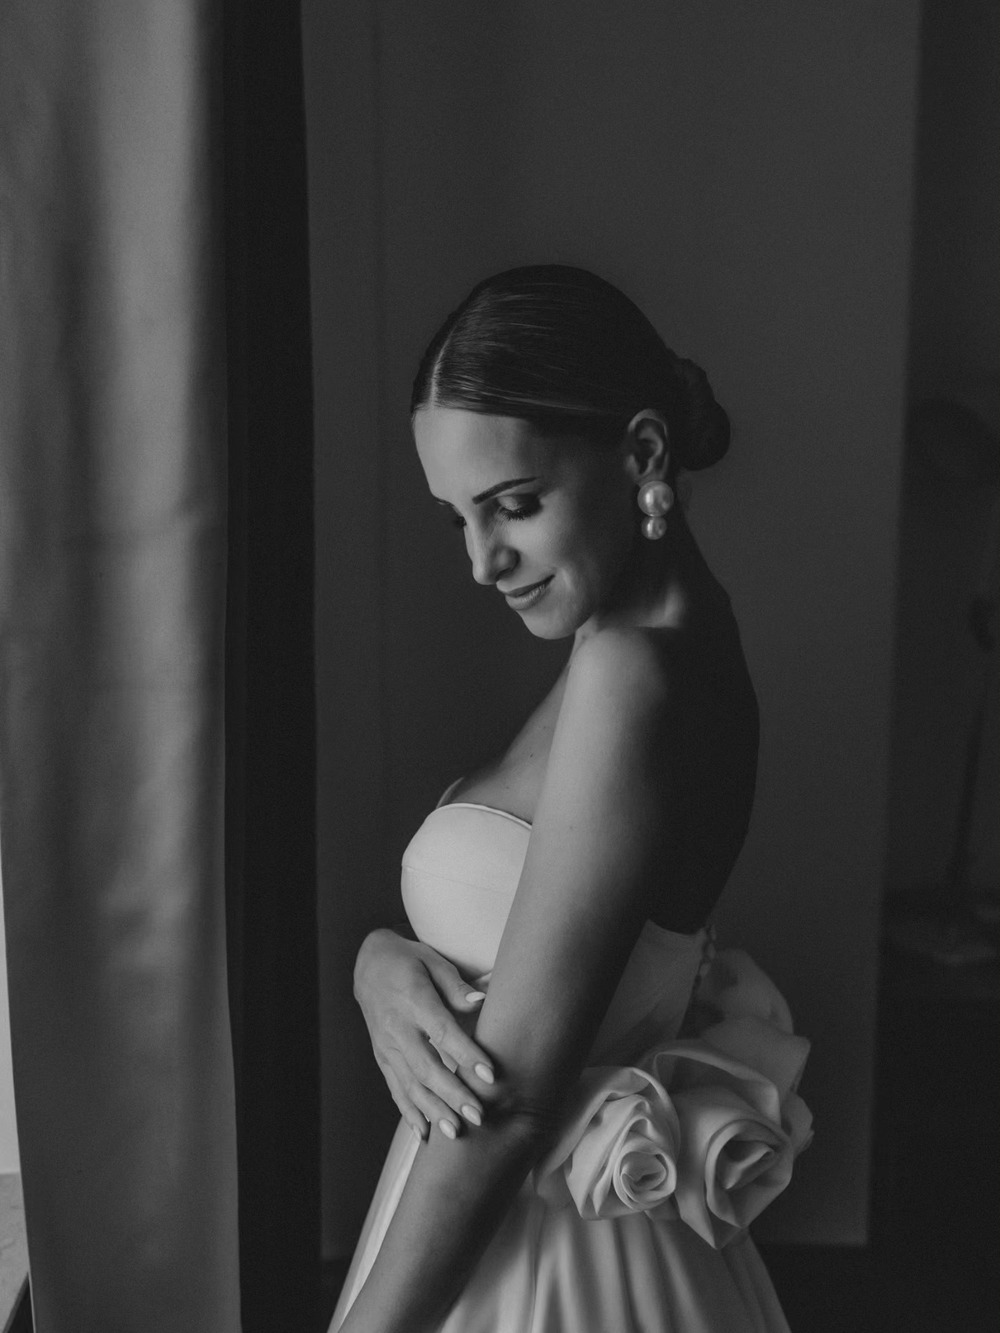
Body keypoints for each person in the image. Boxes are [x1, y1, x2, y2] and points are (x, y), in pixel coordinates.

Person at [329, 266, 812, 1333]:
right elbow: (553, 955)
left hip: (533, 1257)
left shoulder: (633, 675)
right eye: (458, 518)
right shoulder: (653, 639)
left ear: (641, 453)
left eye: (513, 505)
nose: (481, 561)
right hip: (511, 1229)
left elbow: (511, 1106)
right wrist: (380, 962)